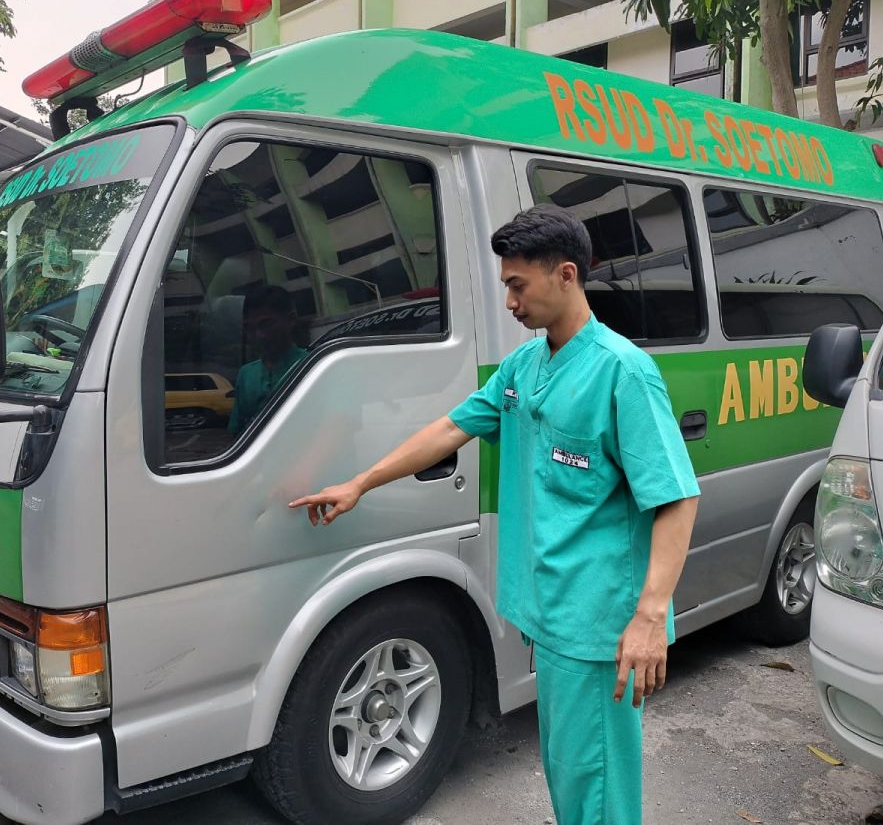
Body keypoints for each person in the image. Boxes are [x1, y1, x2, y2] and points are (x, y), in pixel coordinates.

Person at [290, 204, 700, 824]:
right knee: (570, 767)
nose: (509, 300)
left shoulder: (623, 373)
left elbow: (675, 497)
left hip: (597, 624)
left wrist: (647, 618)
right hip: (550, 611)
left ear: (566, 275)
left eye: (517, 285)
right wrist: (361, 483)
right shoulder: (524, 367)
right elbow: (451, 427)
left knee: (598, 780)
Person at [228, 285, 309, 434]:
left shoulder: (314, 366)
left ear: (291, 320)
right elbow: (236, 434)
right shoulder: (246, 375)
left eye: (266, 324)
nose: (259, 335)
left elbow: (337, 428)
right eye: (250, 328)